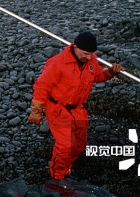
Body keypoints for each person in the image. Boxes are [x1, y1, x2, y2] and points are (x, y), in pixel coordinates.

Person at [28, 31, 124, 181]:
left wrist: (110, 72)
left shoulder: (91, 61)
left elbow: (98, 75)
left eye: (91, 54)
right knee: (65, 146)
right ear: (75, 47)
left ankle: (66, 167)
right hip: (58, 108)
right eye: (86, 54)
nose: (89, 57)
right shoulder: (57, 63)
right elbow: (42, 87)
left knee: (80, 144)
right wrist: (36, 111)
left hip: (78, 108)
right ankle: (57, 176)